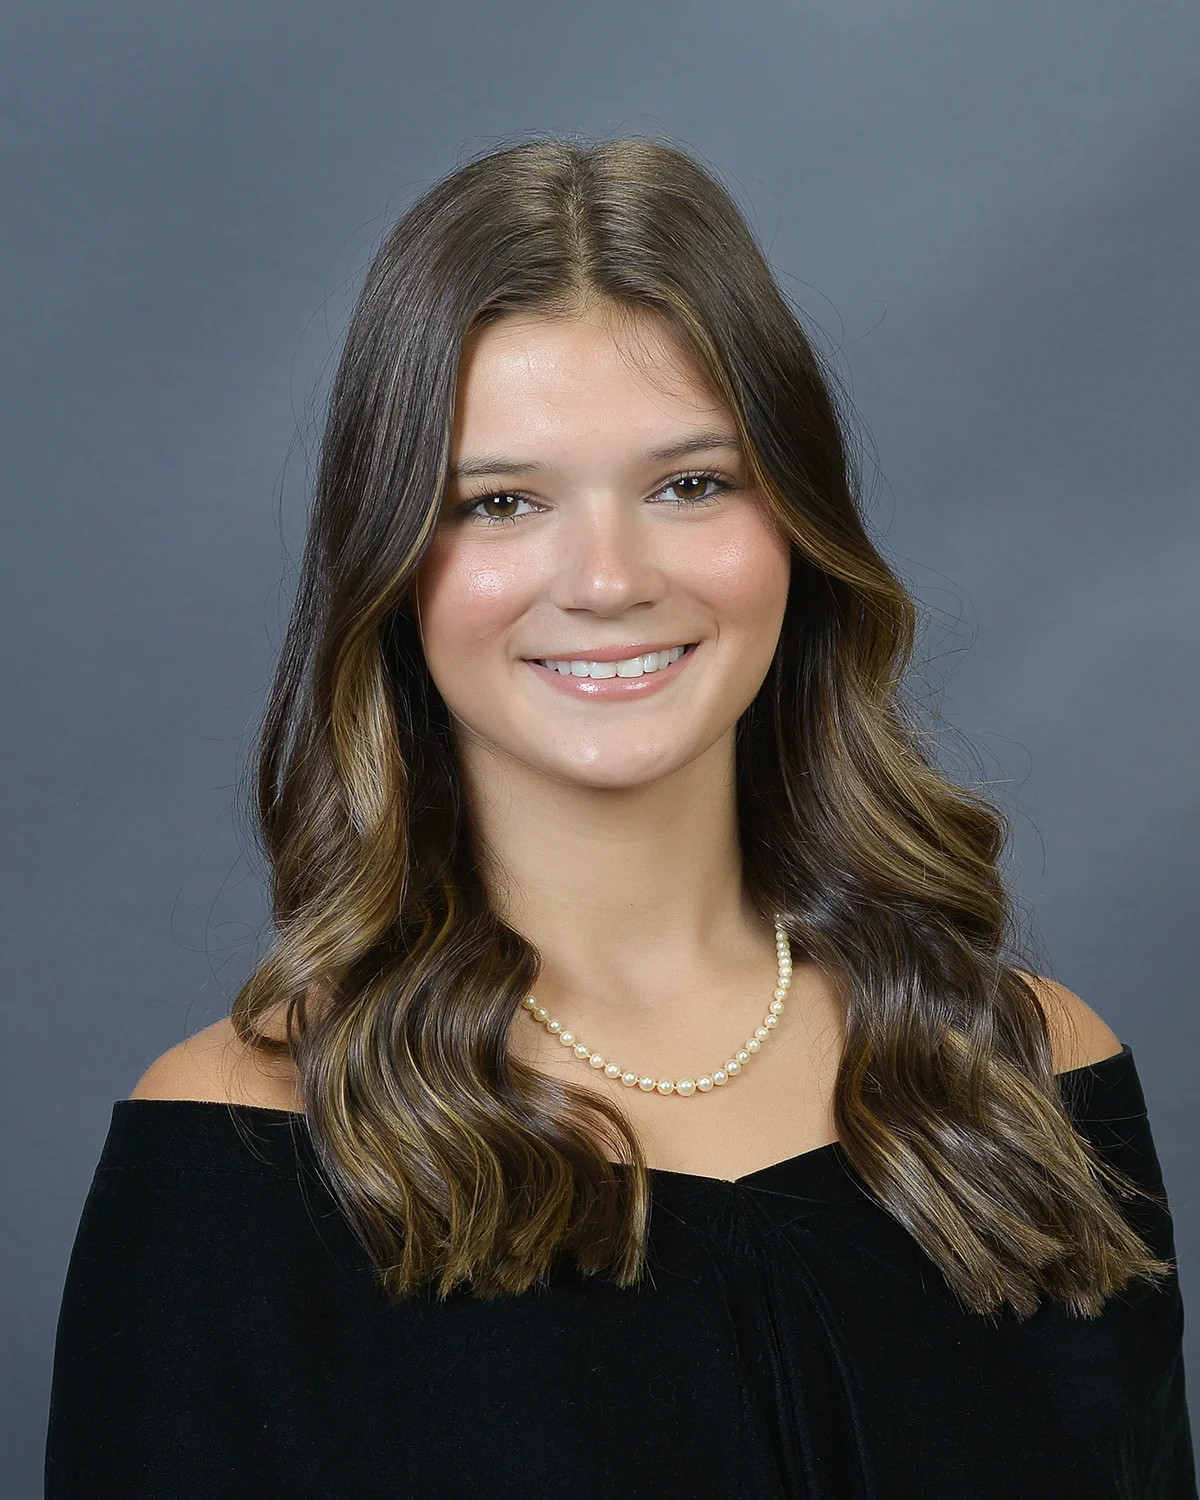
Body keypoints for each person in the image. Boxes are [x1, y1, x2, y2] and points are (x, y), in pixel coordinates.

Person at [45, 134, 1196, 1499]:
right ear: (392, 565)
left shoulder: (1027, 1075)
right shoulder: (236, 1147)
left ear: (799, 523)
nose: (606, 579)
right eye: (502, 502)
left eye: (690, 484)